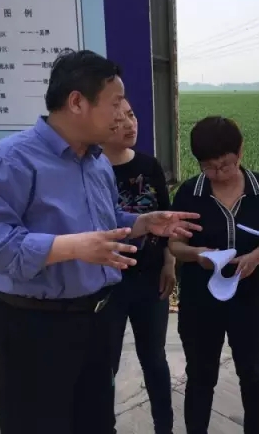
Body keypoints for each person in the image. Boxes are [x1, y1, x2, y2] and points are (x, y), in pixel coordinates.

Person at [0, 49, 201, 434]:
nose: (123, 114)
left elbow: (103, 223)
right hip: (35, 327)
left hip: (95, 321)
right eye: (115, 102)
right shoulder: (12, 159)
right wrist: (72, 247)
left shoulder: (96, 162)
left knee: (95, 424)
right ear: (77, 102)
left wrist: (142, 223)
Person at [168, 116, 259, 434]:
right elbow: (175, 245)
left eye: (226, 165)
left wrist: (256, 258)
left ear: (240, 151)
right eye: (209, 167)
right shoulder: (190, 193)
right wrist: (198, 255)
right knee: (200, 375)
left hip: (249, 298)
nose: (219, 173)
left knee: (253, 373)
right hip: (200, 300)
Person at [101, 99, 175, 433]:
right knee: (106, 364)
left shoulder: (149, 165)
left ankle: (164, 427)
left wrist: (169, 262)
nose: (130, 124)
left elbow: (166, 218)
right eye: (119, 120)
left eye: (131, 115)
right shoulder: (92, 170)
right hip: (108, 284)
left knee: (154, 358)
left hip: (150, 279)